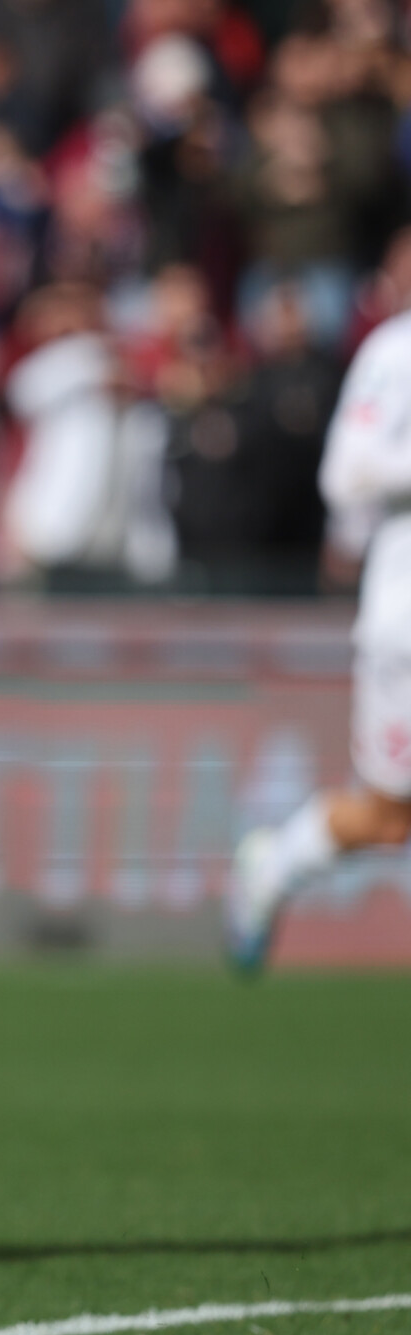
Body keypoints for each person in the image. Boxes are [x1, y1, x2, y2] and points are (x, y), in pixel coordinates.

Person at [222, 305, 411, 969]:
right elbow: (346, 472)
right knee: (391, 817)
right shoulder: (398, 351)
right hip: (405, 622)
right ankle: (273, 866)